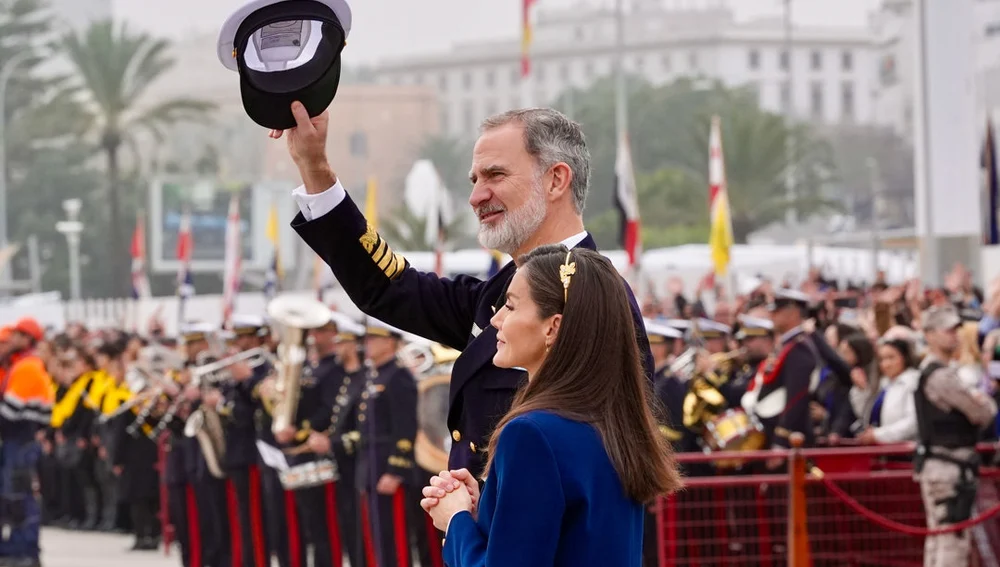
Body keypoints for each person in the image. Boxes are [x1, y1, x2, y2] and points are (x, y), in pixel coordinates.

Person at [276, 103, 654, 479]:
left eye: (495, 175)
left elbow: (604, 463)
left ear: (556, 180)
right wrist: (315, 167)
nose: (476, 197)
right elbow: (390, 288)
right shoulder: (498, 292)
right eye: (475, 180)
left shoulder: (594, 298)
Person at [418, 245, 682, 566]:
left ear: (552, 327)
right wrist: (486, 509)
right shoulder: (615, 420)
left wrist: (456, 519)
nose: (496, 319)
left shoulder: (533, 433)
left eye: (510, 306)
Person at [913, 306, 997, 567]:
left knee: (941, 537)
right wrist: (983, 402)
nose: (955, 335)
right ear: (929, 335)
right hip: (948, 467)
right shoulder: (940, 376)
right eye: (948, 330)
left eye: (956, 330)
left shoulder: (936, 372)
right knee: (952, 541)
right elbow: (983, 412)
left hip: (945, 465)